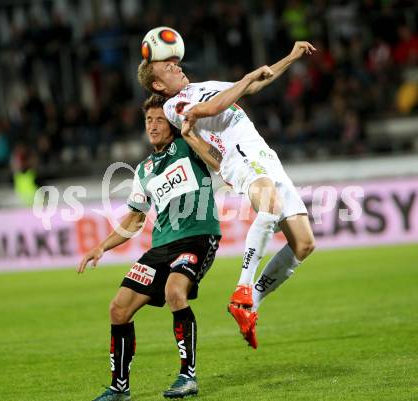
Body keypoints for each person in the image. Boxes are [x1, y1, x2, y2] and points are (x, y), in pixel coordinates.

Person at [137, 41, 316, 349]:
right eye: (168, 67)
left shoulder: (205, 85)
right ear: (157, 84)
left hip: (265, 155)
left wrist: (291, 56)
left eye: (175, 63)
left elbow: (255, 84)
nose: (177, 66)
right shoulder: (172, 106)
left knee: (304, 244)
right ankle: (243, 287)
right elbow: (212, 108)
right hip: (240, 156)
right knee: (270, 205)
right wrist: (245, 80)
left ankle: (250, 302)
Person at [78, 95, 222, 401]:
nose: (153, 126)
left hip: (198, 236)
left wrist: (192, 134)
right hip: (161, 246)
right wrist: (101, 247)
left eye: (159, 120)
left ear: (170, 124)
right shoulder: (143, 170)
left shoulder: (187, 146)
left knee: (174, 291)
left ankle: (188, 376)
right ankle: (119, 388)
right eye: (148, 120)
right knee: (118, 308)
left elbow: (218, 162)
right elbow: (135, 219)